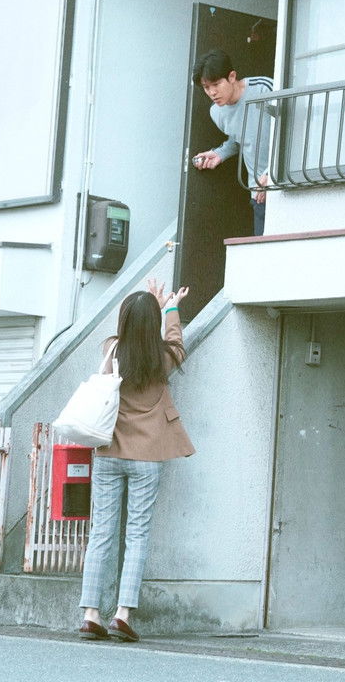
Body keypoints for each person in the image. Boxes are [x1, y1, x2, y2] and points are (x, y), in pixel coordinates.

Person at [77, 277, 193, 643]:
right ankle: (123, 614)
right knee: (137, 534)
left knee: (101, 532)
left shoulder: (112, 349)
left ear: (124, 320)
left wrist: (150, 305)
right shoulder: (163, 358)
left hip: (109, 451)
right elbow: (176, 341)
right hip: (147, 456)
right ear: (152, 322)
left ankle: (91, 614)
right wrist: (169, 307)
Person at [189, 49, 276, 235]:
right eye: (206, 87)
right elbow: (240, 139)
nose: (212, 92)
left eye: (216, 84)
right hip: (259, 194)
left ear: (232, 77)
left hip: (283, 182)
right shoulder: (216, 112)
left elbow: (292, 129)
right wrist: (219, 153)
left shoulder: (264, 88)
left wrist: (272, 173)